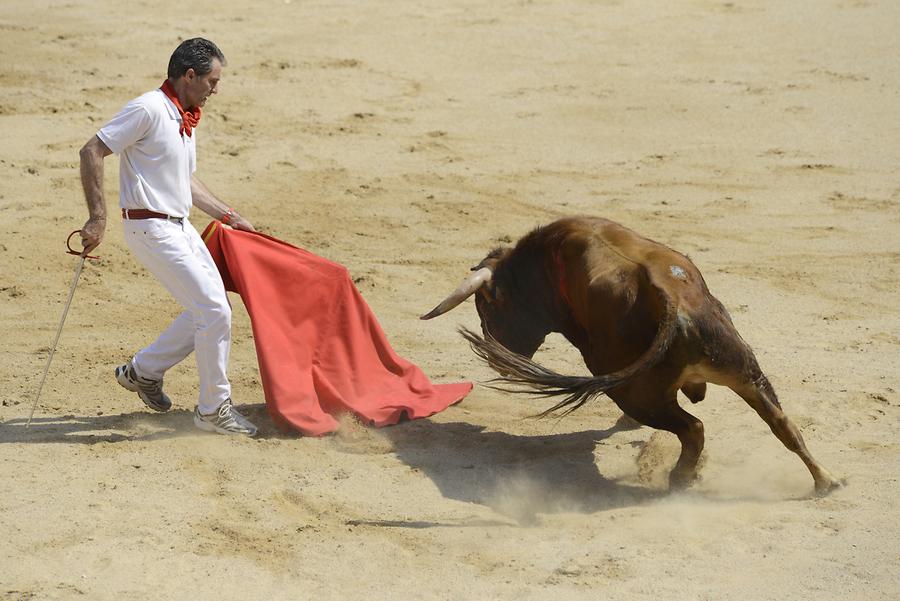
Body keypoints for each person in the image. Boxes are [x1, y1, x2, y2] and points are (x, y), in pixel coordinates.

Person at [78, 38, 257, 436]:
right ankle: (213, 409)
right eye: (211, 80)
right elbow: (91, 151)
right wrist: (97, 218)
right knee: (214, 312)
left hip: (178, 224)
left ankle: (144, 371)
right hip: (151, 226)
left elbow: (185, 181)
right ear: (189, 76)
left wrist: (229, 215)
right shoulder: (148, 108)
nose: (216, 89)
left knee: (210, 308)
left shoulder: (184, 116)